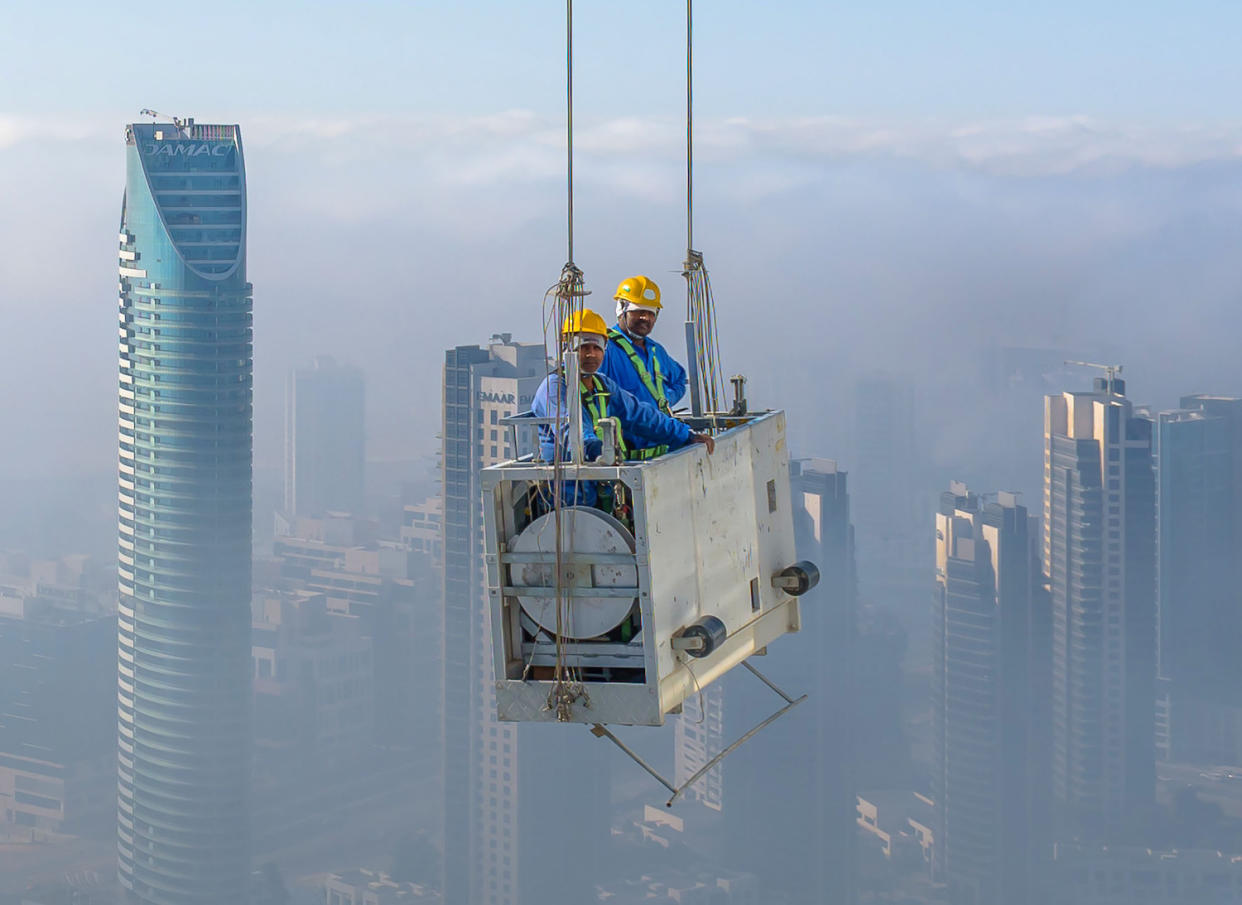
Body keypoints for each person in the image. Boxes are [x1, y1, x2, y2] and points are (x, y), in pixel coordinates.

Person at [531, 308, 713, 506]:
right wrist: (597, 448)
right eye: (583, 347)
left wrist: (685, 435)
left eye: (597, 347)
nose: (591, 354)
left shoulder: (602, 385)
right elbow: (572, 432)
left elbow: (641, 415)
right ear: (567, 349)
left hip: (600, 488)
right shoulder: (555, 389)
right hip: (567, 499)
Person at [599, 275, 689, 459]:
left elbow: (679, 378)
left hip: (660, 452)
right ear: (621, 310)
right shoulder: (606, 349)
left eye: (650, 313)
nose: (645, 318)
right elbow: (591, 392)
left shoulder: (655, 351)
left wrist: (664, 400)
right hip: (626, 458)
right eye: (638, 311)